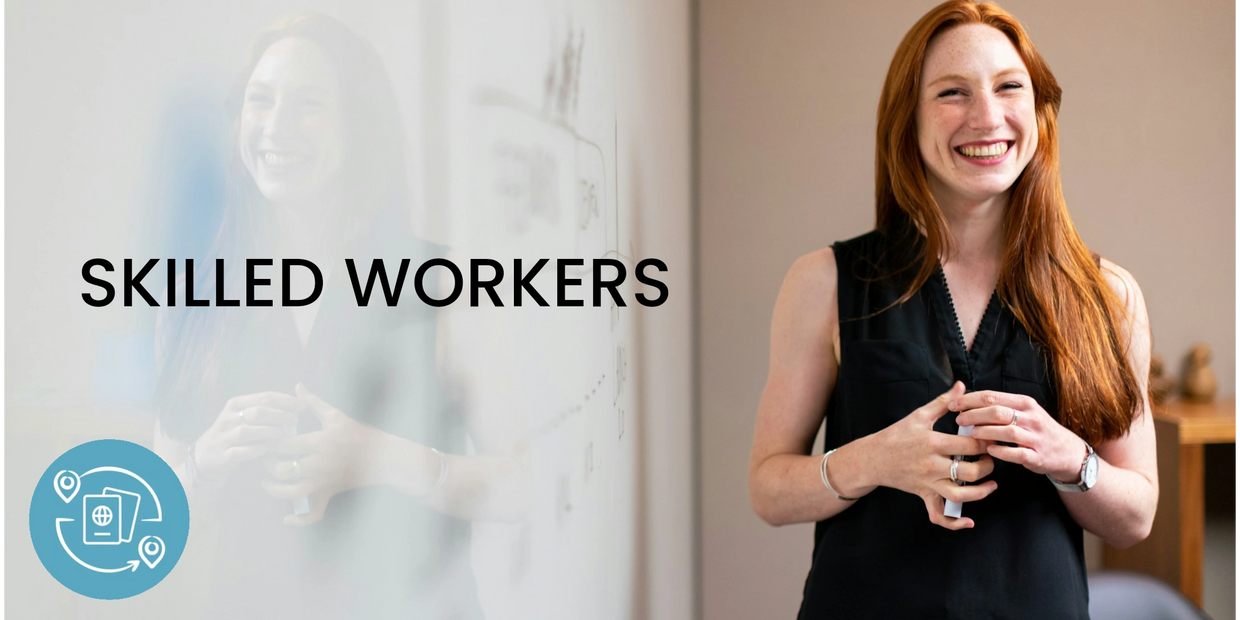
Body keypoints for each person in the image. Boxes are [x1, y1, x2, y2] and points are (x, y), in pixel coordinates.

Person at [747, 2, 1158, 618]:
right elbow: (768, 491)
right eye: (952, 93)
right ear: (907, 121)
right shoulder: (823, 283)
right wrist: (873, 460)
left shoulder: (1109, 295)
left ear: (1039, 110)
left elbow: (1137, 517)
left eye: (1009, 87)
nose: (987, 117)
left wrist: (1071, 460)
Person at [152, 14, 524, 619]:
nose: (276, 127)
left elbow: (520, 485)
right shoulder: (195, 300)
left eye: (309, 105)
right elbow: (157, 522)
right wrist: (207, 458)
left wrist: (380, 458)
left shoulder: (445, 284)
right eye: (260, 100)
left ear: (360, 127)